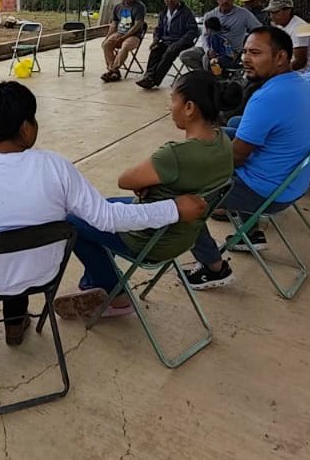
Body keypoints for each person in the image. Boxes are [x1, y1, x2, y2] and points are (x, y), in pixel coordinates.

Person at [0, 81, 207, 349]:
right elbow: (107, 218)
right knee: (21, 227)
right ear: (26, 128)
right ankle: (14, 322)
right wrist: (173, 208)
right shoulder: (56, 167)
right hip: (44, 274)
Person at [53, 71, 238, 318]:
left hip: (152, 240)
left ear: (190, 107)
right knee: (101, 208)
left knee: (71, 221)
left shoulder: (176, 155)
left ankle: (112, 294)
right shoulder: (223, 140)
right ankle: (97, 283)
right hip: (184, 235)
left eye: (173, 99)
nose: (169, 105)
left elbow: (125, 179)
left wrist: (147, 183)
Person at [185, 26, 310, 289]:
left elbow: (236, 157)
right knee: (215, 135)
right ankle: (250, 231)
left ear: (281, 57)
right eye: (246, 51)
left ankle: (213, 267)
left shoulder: (268, 97)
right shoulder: (300, 84)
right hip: (291, 181)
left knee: (181, 197)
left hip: (266, 191)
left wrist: (188, 169)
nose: (246, 59)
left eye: (256, 53)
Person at [178, 0, 261, 75]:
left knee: (210, 61)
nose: (225, 1)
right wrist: (208, 50)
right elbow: (204, 37)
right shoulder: (210, 15)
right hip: (211, 48)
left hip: (232, 53)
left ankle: (212, 78)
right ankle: (207, 76)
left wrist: (249, 48)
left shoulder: (244, 14)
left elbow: (259, 30)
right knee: (185, 55)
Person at [136, 0, 199, 89]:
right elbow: (159, 29)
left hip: (182, 42)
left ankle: (154, 80)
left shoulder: (186, 12)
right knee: (155, 49)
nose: (170, 0)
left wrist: (179, 43)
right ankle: (148, 76)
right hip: (167, 41)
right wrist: (156, 40)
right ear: (164, 0)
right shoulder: (163, 13)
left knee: (169, 53)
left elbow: (192, 31)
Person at [100, 0, 148, 82]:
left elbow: (137, 25)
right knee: (106, 44)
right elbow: (114, 24)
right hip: (119, 32)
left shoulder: (139, 7)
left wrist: (124, 37)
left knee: (125, 46)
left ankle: (112, 70)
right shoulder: (118, 7)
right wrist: (107, 37)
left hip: (134, 36)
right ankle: (114, 72)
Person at [264, 0, 310, 70]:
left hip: (302, 73)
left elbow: (300, 61)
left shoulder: (298, 28)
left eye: (275, 12)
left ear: (288, 11)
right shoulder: (281, 26)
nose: (272, 16)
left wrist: (277, 72)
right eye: (270, 13)